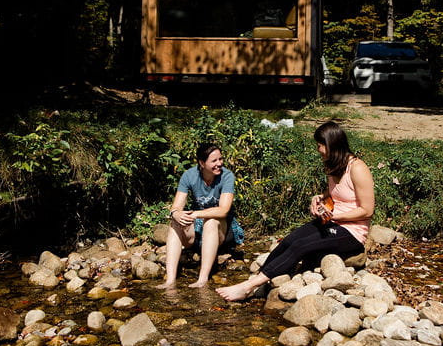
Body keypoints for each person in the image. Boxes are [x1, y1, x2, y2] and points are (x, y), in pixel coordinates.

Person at [216, 121, 373, 301]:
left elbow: (367, 210)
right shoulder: (333, 165)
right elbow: (337, 192)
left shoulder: (358, 168)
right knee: (289, 240)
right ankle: (259, 277)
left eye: (320, 146)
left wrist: (336, 216)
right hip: (331, 222)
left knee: (301, 246)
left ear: (330, 145)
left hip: (351, 232)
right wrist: (320, 197)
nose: (318, 149)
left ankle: (248, 287)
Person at [156, 143, 244, 289]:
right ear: (202, 163)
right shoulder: (189, 175)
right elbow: (176, 206)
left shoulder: (227, 176)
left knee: (210, 221)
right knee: (175, 223)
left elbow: (223, 210)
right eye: (214, 161)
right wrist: (176, 213)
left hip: (221, 229)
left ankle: (202, 279)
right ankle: (170, 280)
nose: (219, 164)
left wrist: (196, 214)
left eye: (220, 159)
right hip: (198, 228)